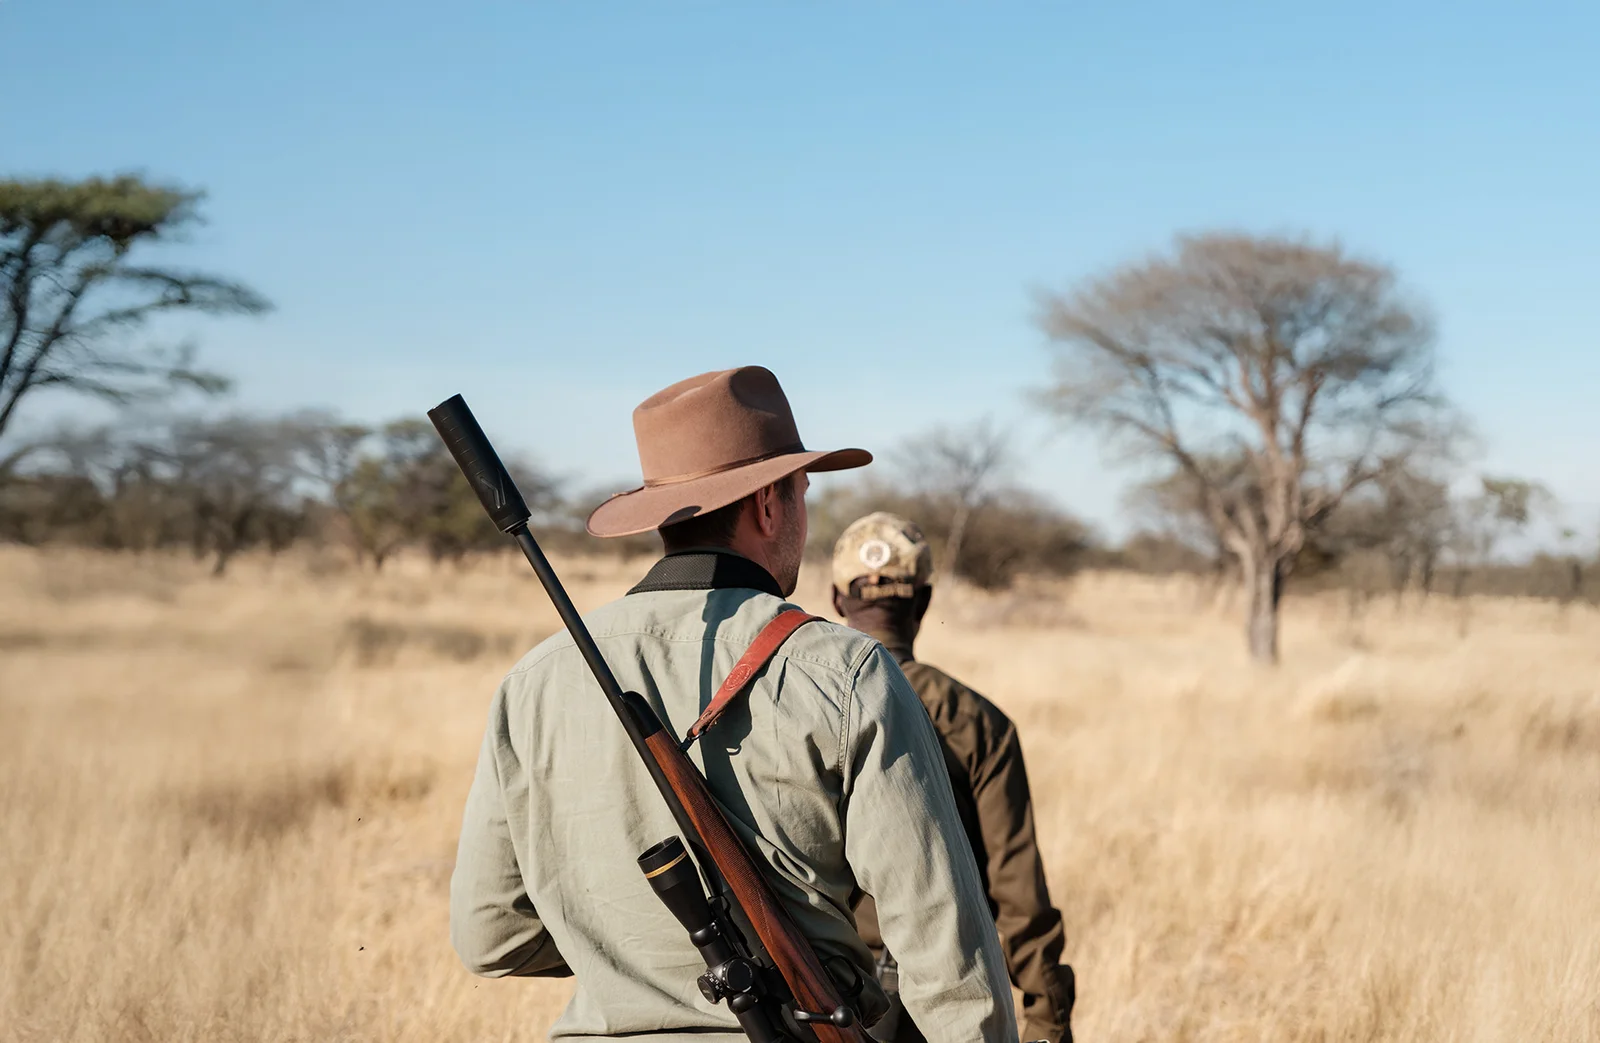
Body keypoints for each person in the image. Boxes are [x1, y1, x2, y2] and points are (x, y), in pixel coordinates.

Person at [449, 366, 1018, 1043]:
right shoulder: (844, 669)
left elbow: (493, 937)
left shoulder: (532, 682)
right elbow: (946, 957)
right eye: (802, 493)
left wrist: (633, 956)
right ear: (769, 503)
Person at [831, 513, 1076, 1043]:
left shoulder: (805, 705)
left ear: (837, 602)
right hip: (943, 1000)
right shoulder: (977, 720)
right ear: (923, 603)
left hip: (820, 997)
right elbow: (1018, 893)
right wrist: (1048, 1021)